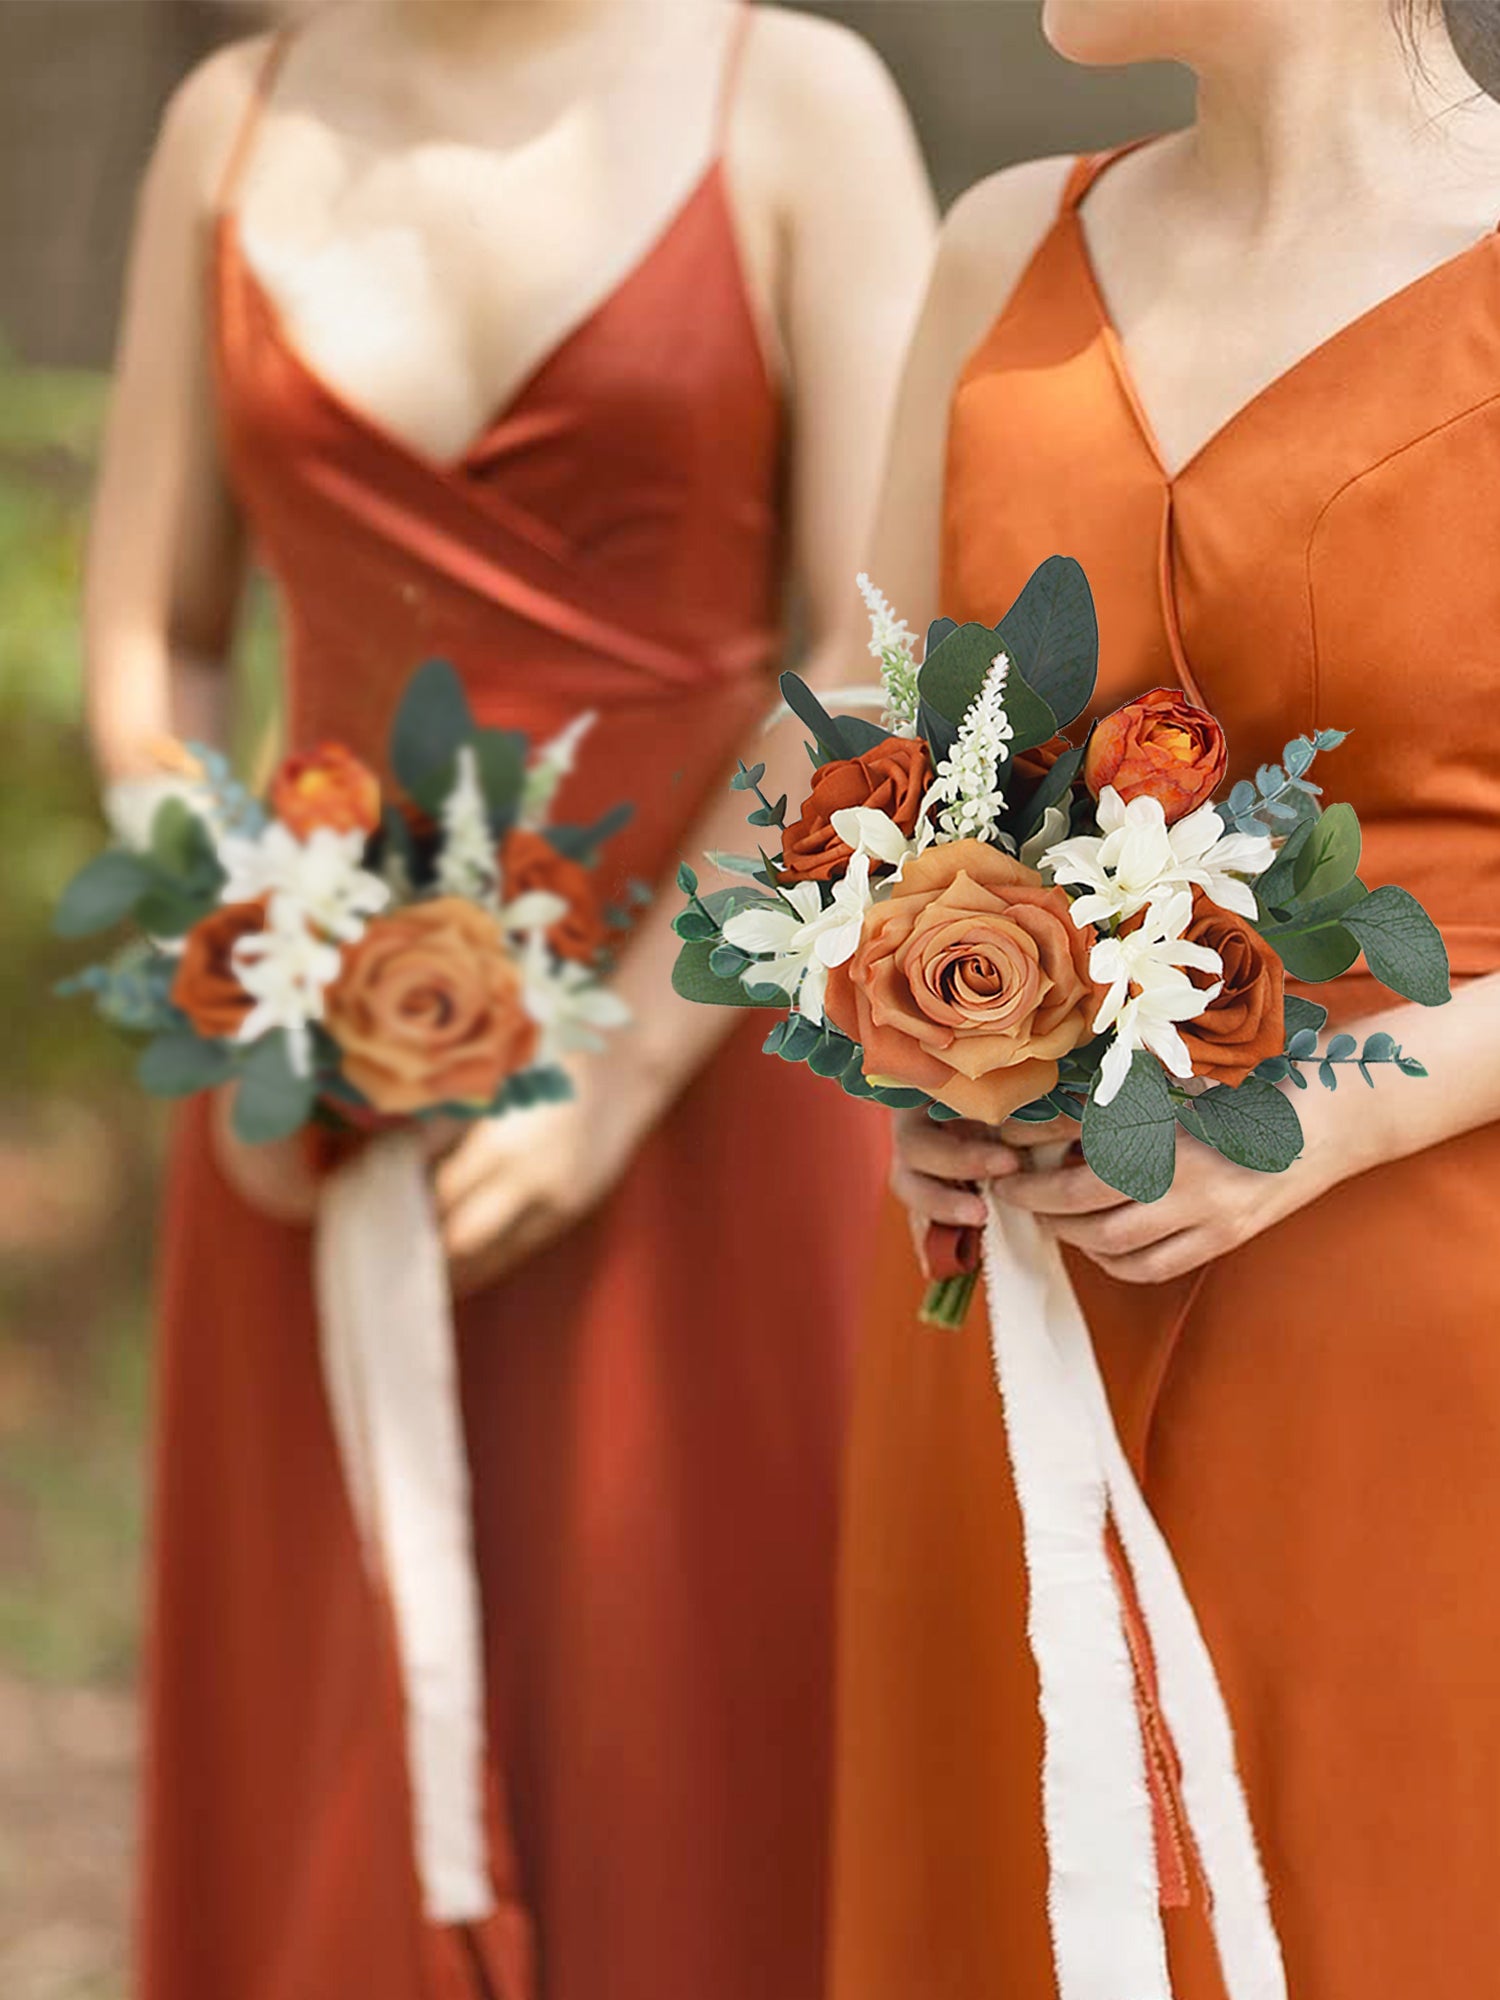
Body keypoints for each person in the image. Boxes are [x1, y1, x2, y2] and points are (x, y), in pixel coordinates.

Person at [83, 5, 934, 1996]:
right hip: (323, 1082)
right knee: (333, 1757)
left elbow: (879, 656)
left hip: (714, 1060)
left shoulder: (794, 97)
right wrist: (262, 972)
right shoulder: (234, 119)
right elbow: (159, 642)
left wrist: (621, 1065)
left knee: (706, 1735)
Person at [828, 2, 1500, 1994]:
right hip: (1007, 1321)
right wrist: (892, 1029)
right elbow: (862, 742)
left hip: (1421, 1342)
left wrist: (1341, 1104)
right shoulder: (996, 249)